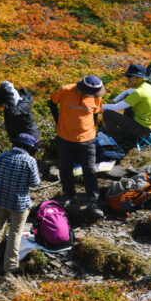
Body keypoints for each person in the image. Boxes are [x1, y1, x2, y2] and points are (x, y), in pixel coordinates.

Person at [0, 132, 42, 275]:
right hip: (19, 204)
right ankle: (10, 266)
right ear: (28, 147)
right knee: (15, 233)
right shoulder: (30, 161)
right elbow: (35, 183)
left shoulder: (3, 156)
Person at [49, 75, 104, 206]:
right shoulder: (65, 90)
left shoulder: (96, 96)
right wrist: (58, 121)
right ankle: (70, 195)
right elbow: (52, 103)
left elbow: (95, 114)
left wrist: (92, 129)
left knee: (89, 170)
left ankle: (93, 199)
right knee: (65, 169)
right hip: (65, 137)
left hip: (87, 139)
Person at [100, 64, 151, 146]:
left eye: (130, 76)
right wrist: (114, 101)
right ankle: (126, 133)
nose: (128, 79)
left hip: (145, 128)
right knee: (128, 100)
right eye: (127, 76)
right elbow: (128, 92)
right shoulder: (147, 87)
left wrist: (96, 106)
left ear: (139, 78)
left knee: (107, 114)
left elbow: (116, 108)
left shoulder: (139, 92)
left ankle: (119, 141)